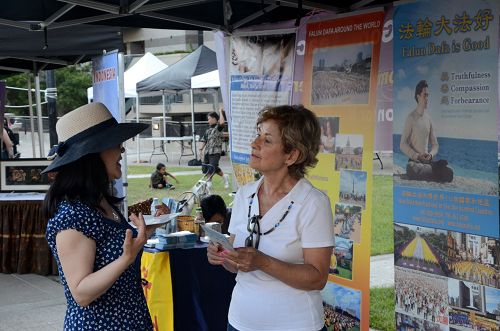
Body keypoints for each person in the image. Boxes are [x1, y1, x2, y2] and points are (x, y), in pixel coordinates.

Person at [207, 105, 334, 331]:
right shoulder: (245, 195)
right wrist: (223, 256)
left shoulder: (313, 203)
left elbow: (317, 277)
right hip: (240, 321)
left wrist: (263, 262)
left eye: (266, 140)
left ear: (292, 155)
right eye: (258, 135)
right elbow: (235, 266)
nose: (254, 143)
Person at [43, 103, 169, 330]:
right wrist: (126, 259)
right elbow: (81, 293)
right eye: (115, 143)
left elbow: (111, 254)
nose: (122, 150)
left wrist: (144, 232)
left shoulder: (100, 202)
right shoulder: (73, 216)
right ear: (91, 154)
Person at [400, 80, 453, 182]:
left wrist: (431, 155)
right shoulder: (410, 118)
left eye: (428, 95)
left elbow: (435, 145)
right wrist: (417, 156)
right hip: (415, 162)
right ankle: (435, 170)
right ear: (418, 96)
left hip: (427, 162)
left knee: (450, 172)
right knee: (413, 170)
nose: (427, 99)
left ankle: (432, 169)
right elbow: (402, 144)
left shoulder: (429, 119)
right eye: (425, 95)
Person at [199, 107, 230, 189]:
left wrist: (220, 112)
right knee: (209, 167)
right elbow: (204, 140)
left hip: (216, 151)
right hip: (207, 151)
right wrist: (200, 150)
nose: (208, 121)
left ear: (214, 119)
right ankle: (224, 176)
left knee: (212, 166)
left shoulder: (218, 128)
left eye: (209, 119)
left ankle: (209, 185)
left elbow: (222, 123)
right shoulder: (208, 130)